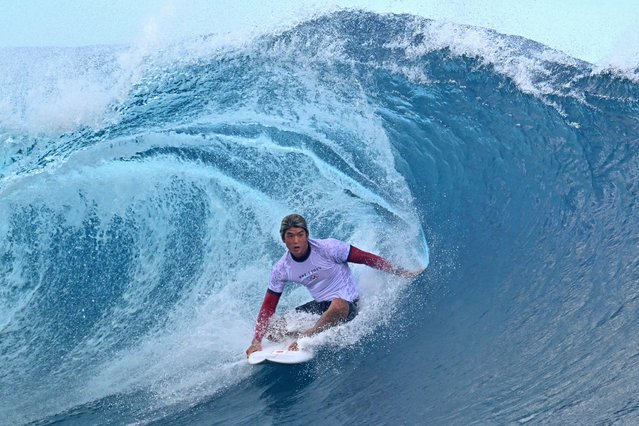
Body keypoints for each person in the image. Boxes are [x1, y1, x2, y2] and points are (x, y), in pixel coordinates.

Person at [245, 213, 424, 357]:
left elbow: (366, 258)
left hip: (347, 304)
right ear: (283, 239)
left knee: (337, 304)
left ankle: (307, 335)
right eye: (290, 236)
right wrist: (256, 340)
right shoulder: (281, 268)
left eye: (300, 234)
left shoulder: (329, 248)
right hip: (321, 306)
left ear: (307, 235)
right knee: (273, 331)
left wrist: (400, 272)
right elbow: (268, 307)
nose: (296, 241)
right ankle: (295, 336)